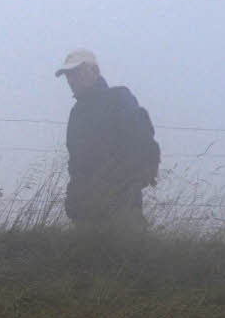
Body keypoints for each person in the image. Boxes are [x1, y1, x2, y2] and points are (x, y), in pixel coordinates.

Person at [55, 49, 160, 230]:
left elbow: (144, 146)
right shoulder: (77, 113)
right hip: (85, 214)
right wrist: (74, 200)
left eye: (76, 73)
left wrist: (123, 188)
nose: (71, 80)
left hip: (121, 212)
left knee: (128, 256)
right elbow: (76, 163)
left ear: (95, 71)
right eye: (68, 76)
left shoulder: (119, 98)